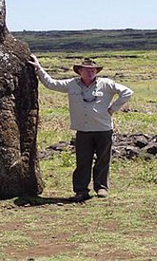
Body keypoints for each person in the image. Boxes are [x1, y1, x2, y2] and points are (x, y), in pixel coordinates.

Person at [29, 55, 133, 201]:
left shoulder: (107, 83)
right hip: (83, 130)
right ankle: (81, 190)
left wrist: (112, 109)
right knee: (83, 161)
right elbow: (51, 84)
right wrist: (38, 68)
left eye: (93, 70)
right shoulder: (72, 84)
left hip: (103, 129)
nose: (90, 72)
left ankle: (101, 187)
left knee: (103, 160)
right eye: (87, 70)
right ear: (80, 71)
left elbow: (127, 92)